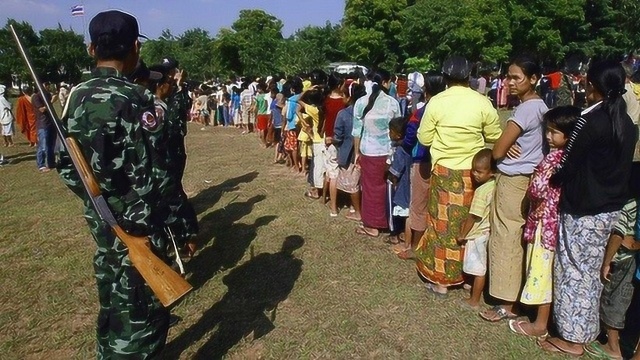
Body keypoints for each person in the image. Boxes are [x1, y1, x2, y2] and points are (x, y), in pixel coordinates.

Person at [57, 10, 171, 358]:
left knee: (112, 303)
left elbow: (66, 164)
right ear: (136, 47)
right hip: (139, 228)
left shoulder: (76, 96)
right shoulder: (141, 100)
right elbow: (159, 176)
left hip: (103, 227)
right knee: (141, 316)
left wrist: (101, 206)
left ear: (92, 49)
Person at [539, 60, 637, 356]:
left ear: (592, 85)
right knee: (591, 272)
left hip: (582, 207)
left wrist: (553, 179)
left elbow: (570, 163)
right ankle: (583, 329)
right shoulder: (627, 124)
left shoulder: (589, 122)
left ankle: (572, 338)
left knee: (573, 270)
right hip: (609, 209)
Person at [415, 56, 501, 295]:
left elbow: (424, 138)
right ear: (468, 76)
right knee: (467, 225)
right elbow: (494, 134)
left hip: (444, 171)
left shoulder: (437, 102)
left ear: (444, 77)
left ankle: (442, 281)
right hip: (473, 173)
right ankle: (466, 276)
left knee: (442, 225)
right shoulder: (482, 102)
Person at [481, 55, 547, 321]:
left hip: (514, 180)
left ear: (533, 79)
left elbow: (497, 151)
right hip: (528, 177)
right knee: (517, 236)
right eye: (508, 76)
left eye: (516, 77)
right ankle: (515, 296)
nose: (509, 82)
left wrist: (503, 145)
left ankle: (506, 303)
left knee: (506, 237)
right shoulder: (541, 107)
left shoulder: (525, 110)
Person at [508, 106, 580, 339]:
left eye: (553, 132)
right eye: (547, 131)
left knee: (541, 270)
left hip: (544, 223)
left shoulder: (552, 159)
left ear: (567, 136)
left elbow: (538, 189)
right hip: (555, 222)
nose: (548, 137)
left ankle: (540, 324)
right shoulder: (571, 159)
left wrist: (532, 181)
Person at [394, 71, 446, 259]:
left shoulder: (422, 111)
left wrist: (403, 145)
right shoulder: (449, 108)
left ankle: (415, 248)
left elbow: (410, 137)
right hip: (446, 162)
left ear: (425, 89)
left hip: (423, 160)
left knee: (418, 205)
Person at [584, 199, 638, 359]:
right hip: (632, 259)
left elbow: (618, 234)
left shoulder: (628, 203)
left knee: (613, 300)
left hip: (622, 261)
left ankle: (613, 346)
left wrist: (607, 262)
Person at [352, 69, 401, 237]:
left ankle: (372, 225)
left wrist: (356, 153)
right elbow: (399, 127)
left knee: (370, 189)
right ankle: (388, 221)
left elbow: (357, 131)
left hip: (369, 152)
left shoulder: (360, 102)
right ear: (386, 82)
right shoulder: (393, 103)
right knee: (387, 188)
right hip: (388, 152)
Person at [457, 149, 496, 309]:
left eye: (479, 171)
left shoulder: (481, 192)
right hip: (488, 231)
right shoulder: (494, 185)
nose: (475, 174)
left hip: (478, 234)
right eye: (473, 170)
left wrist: (462, 234)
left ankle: (474, 301)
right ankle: (471, 286)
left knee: (479, 268)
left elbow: (473, 216)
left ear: (492, 172)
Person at [333, 83, 367, 222]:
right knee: (362, 182)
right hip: (368, 151)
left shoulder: (343, 114)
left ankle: (357, 211)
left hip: (350, 154)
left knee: (353, 184)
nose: (341, 98)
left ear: (349, 97)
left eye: (343, 95)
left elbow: (338, 135)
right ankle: (358, 207)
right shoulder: (368, 110)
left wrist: (334, 141)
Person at [386, 116, 412, 243]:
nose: (389, 134)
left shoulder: (401, 150)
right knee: (406, 212)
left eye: (391, 131)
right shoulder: (409, 148)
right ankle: (403, 233)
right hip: (408, 185)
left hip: (399, 185)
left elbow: (395, 170)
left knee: (396, 210)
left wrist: (390, 177)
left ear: (398, 135)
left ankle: (394, 233)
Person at [32, 84, 56, 172]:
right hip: (43, 124)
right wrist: (51, 101)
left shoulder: (48, 95)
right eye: (46, 84)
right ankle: (41, 165)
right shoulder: (36, 97)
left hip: (51, 123)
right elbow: (41, 109)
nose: (48, 86)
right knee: (42, 146)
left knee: (51, 145)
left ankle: (51, 162)